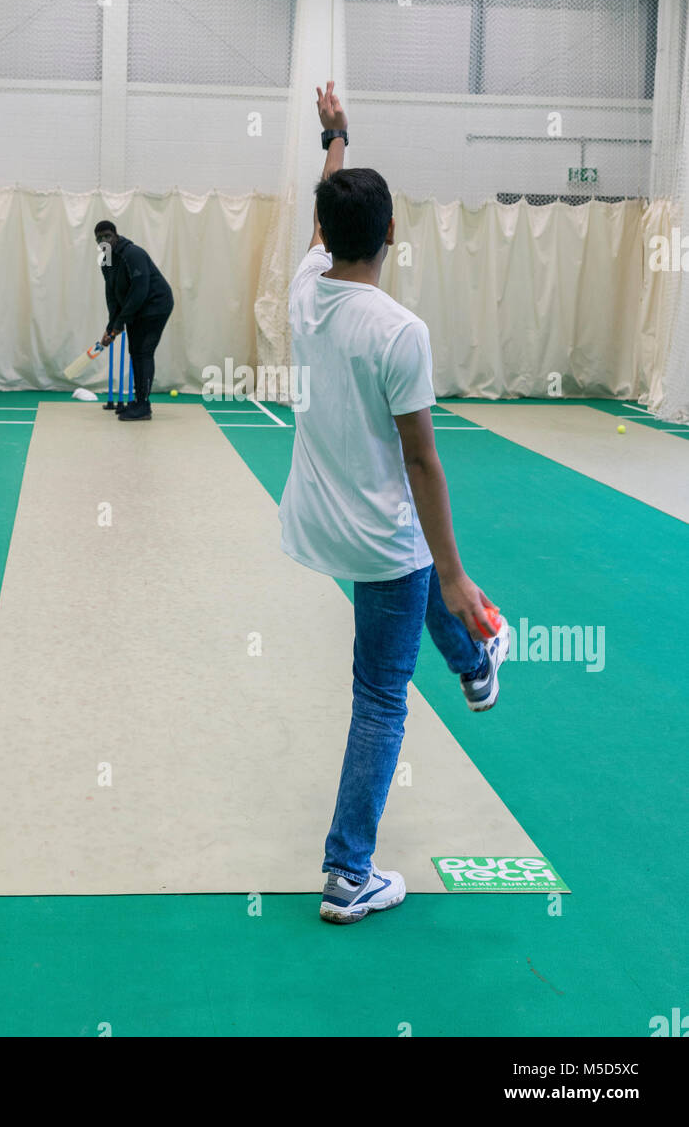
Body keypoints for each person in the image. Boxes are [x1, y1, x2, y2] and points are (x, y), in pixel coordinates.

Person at [278, 81, 510, 925]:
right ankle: (349, 873)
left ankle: (476, 665)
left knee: (412, 608)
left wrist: (332, 138)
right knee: (381, 694)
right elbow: (420, 458)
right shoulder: (399, 330)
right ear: (390, 235)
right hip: (383, 541)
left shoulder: (304, 289)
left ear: (326, 233)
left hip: (320, 524)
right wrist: (455, 573)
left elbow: (320, 223)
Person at [94, 221, 174, 421]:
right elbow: (112, 296)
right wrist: (111, 326)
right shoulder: (106, 260)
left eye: (107, 236)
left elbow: (140, 291)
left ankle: (143, 406)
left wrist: (120, 323)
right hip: (137, 308)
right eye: (99, 238)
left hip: (155, 305)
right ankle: (138, 402)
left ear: (116, 235)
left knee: (143, 352)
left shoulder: (133, 254)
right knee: (135, 351)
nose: (104, 241)